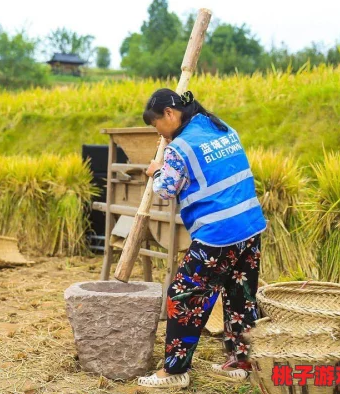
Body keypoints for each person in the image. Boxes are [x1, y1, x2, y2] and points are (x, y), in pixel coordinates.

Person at [137, 89, 267, 388]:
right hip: (250, 226)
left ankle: (174, 371)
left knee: (184, 296)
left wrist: (156, 172)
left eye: (156, 124)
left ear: (169, 115)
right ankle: (241, 361)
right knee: (240, 294)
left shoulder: (179, 148)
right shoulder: (221, 128)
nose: (157, 131)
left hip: (218, 234)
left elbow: (166, 191)